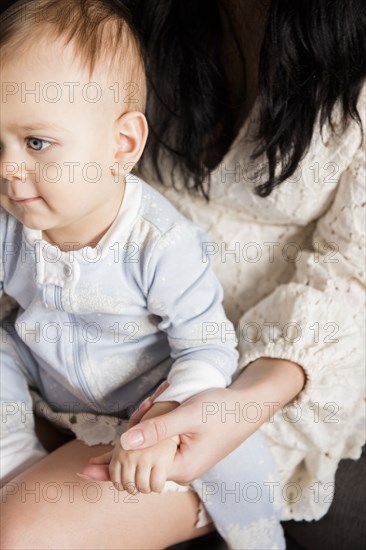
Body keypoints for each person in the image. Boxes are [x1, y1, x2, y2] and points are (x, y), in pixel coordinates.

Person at [0, 0, 365, 548]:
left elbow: (207, 343)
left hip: (188, 383)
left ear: (124, 144)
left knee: (29, 531)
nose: (7, 169)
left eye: (35, 144)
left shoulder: (161, 243)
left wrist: (172, 415)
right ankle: (13, 457)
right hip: (51, 366)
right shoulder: (18, 214)